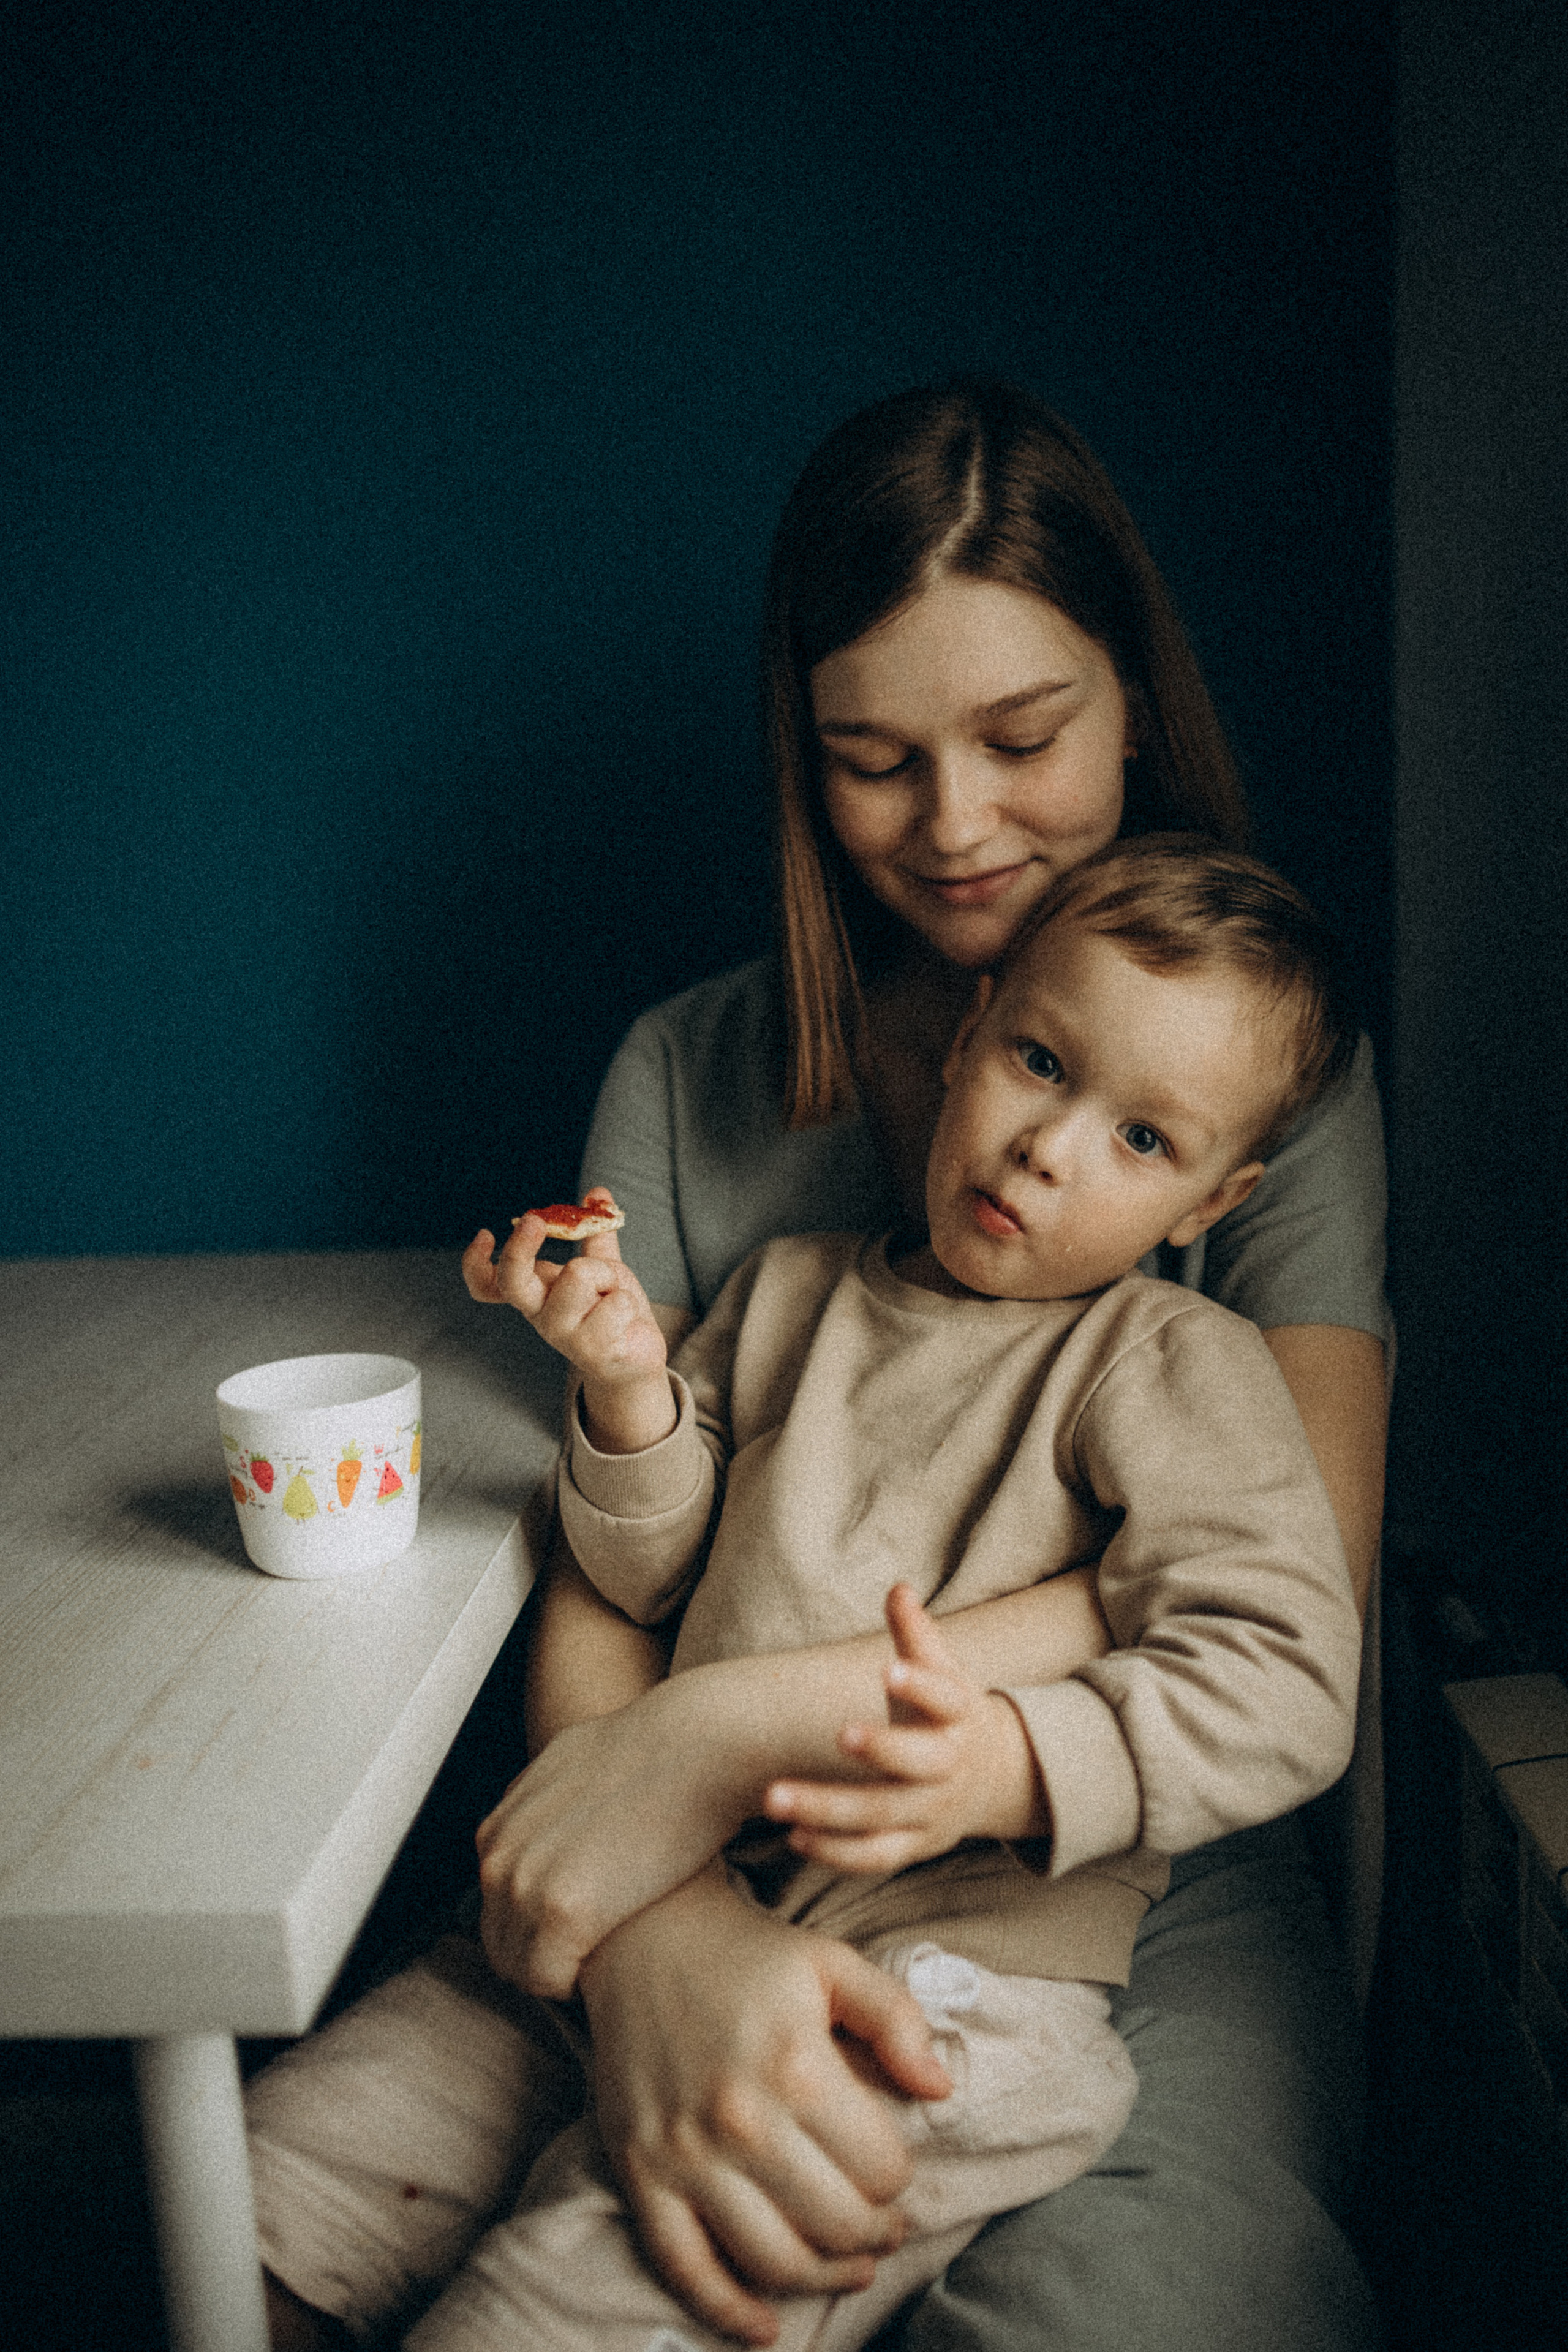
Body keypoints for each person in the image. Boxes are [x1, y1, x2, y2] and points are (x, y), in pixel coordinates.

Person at [262, 380, 1390, 2352]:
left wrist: (753, 1723)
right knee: (262, 2196)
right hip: (656, 1827)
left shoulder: (1236, 1116)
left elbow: (1275, 1608)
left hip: (1071, 1855)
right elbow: (608, 1567)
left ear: (1137, 700)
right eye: (874, 759)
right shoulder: (745, 1181)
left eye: (1025, 738)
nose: (958, 827)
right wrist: (661, 1923)